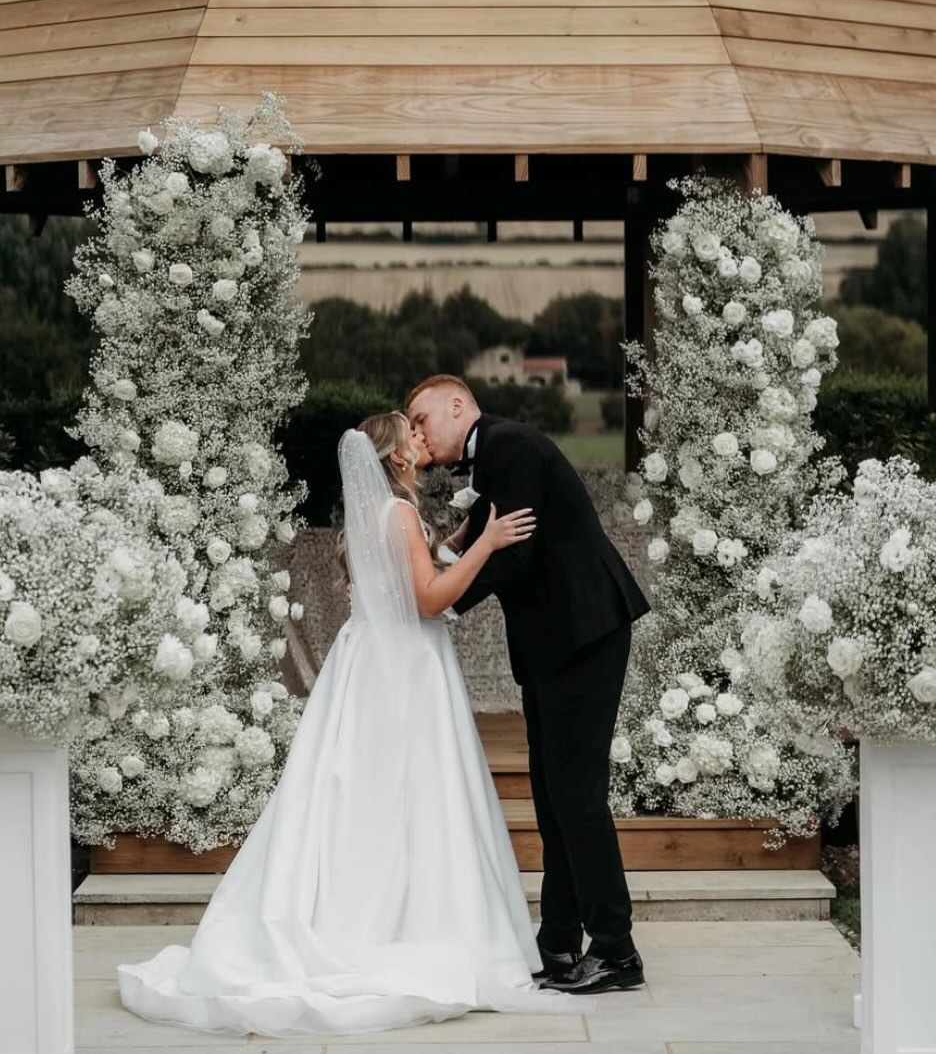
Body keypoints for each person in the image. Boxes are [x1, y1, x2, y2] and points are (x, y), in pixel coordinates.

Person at [116, 413, 579, 1038]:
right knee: (412, 794)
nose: (421, 437)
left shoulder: (384, 515)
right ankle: (413, 922)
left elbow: (417, 567)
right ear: (396, 459)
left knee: (363, 794)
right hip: (406, 665)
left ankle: (368, 910)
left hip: (369, 661)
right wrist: (490, 546)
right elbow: (429, 599)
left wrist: (468, 533)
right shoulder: (399, 516)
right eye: (411, 433)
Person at [406, 375, 651, 996]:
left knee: (576, 792)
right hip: (556, 643)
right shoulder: (492, 457)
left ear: (457, 406)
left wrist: (441, 605)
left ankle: (617, 951)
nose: (417, 434)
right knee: (552, 792)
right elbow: (489, 544)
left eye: (421, 418)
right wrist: (451, 557)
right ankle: (560, 945)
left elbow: (514, 554)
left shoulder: (507, 447)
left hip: (584, 633)